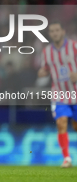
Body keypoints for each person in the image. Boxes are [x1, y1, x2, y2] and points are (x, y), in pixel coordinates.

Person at [38, 22, 77, 168]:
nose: (55, 33)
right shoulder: (46, 52)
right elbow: (46, 68)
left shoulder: (74, 47)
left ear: (63, 31)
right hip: (59, 94)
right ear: (49, 34)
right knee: (61, 123)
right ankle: (66, 158)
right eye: (52, 31)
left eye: (57, 30)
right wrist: (43, 72)